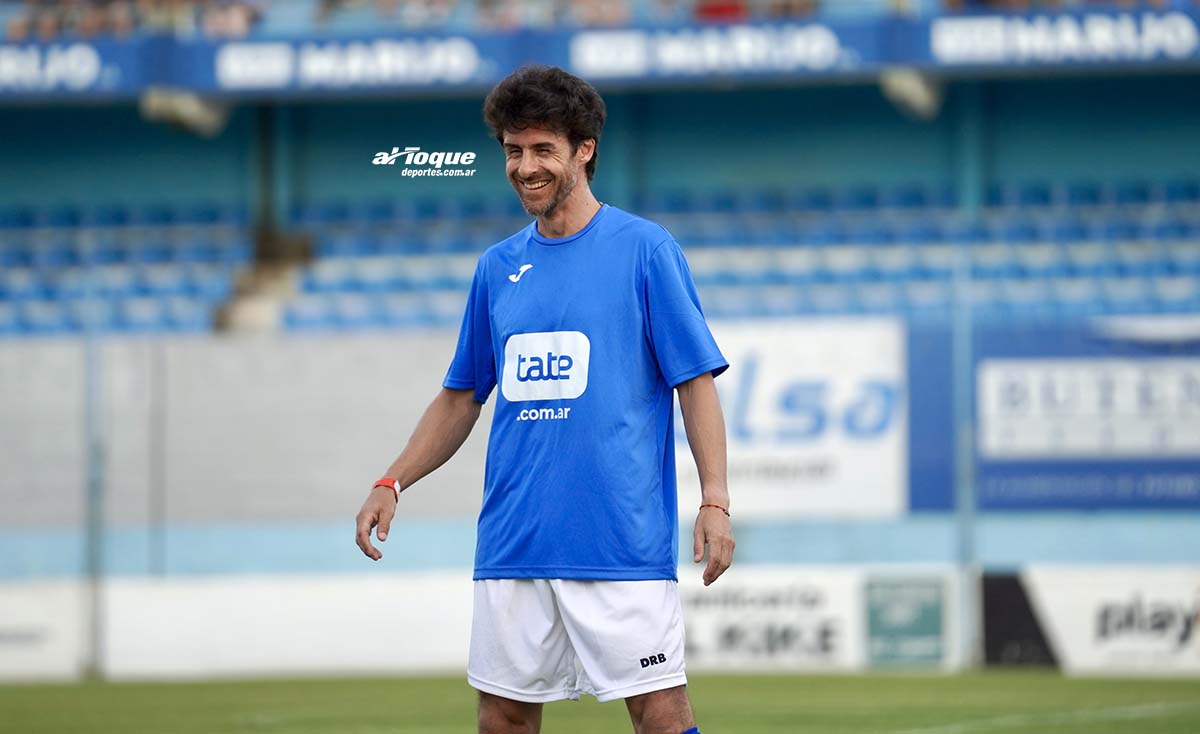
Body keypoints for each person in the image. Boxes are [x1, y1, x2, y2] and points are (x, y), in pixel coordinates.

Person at [355, 64, 734, 734]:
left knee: (659, 713)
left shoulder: (645, 250)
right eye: (513, 150)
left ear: (584, 149)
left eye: (542, 150)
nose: (525, 167)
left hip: (618, 543)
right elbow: (460, 397)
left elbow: (694, 382)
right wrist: (393, 479)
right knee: (502, 718)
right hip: (514, 542)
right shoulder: (496, 268)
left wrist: (715, 500)